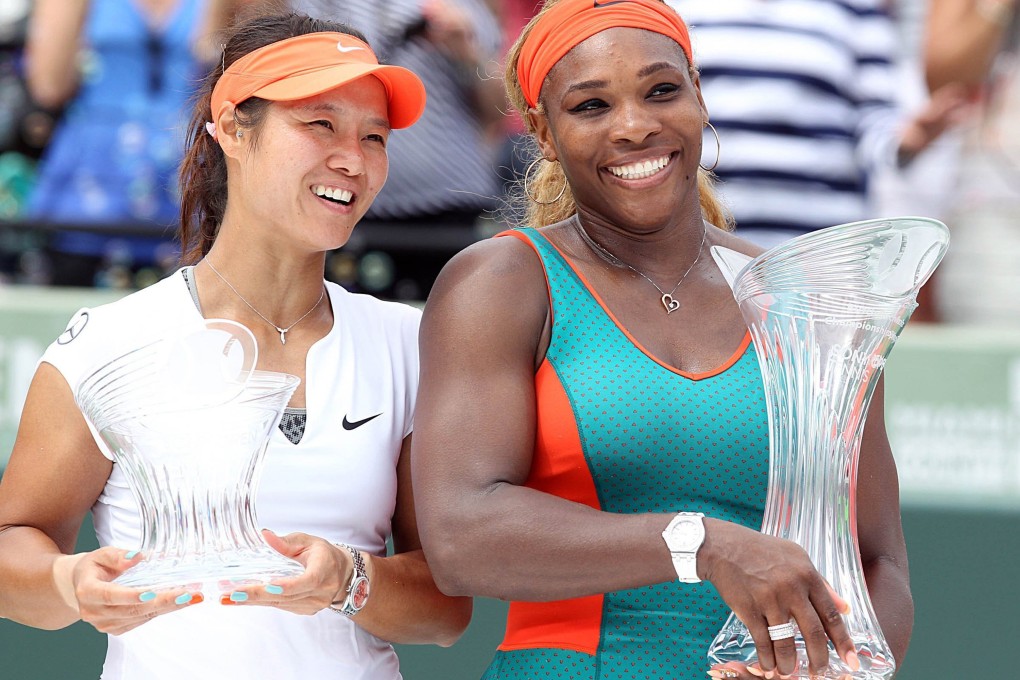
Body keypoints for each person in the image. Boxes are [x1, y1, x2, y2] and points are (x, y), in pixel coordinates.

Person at [410, 1, 912, 679]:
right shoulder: (501, 282)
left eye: (661, 91)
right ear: (545, 133)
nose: (634, 126)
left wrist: (837, 667)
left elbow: (877, 557)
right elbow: (459, 535)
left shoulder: (800, 300)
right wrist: (698, 543)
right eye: (591, 106)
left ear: (698, 96)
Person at [0, 11, 470, 680]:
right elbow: (13, 545)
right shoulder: (105, 344)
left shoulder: (411, 345)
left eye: (375, 136)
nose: (353, 159)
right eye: (320, 124)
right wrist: (68, 583)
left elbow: (447, 609)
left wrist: (349, 580)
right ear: (231, 129)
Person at [661, 0, 965, 249]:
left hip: (820, 250)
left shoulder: (856, 8)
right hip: (709, 239)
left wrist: (908, 141)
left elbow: (874, 122)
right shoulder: (678, 8)